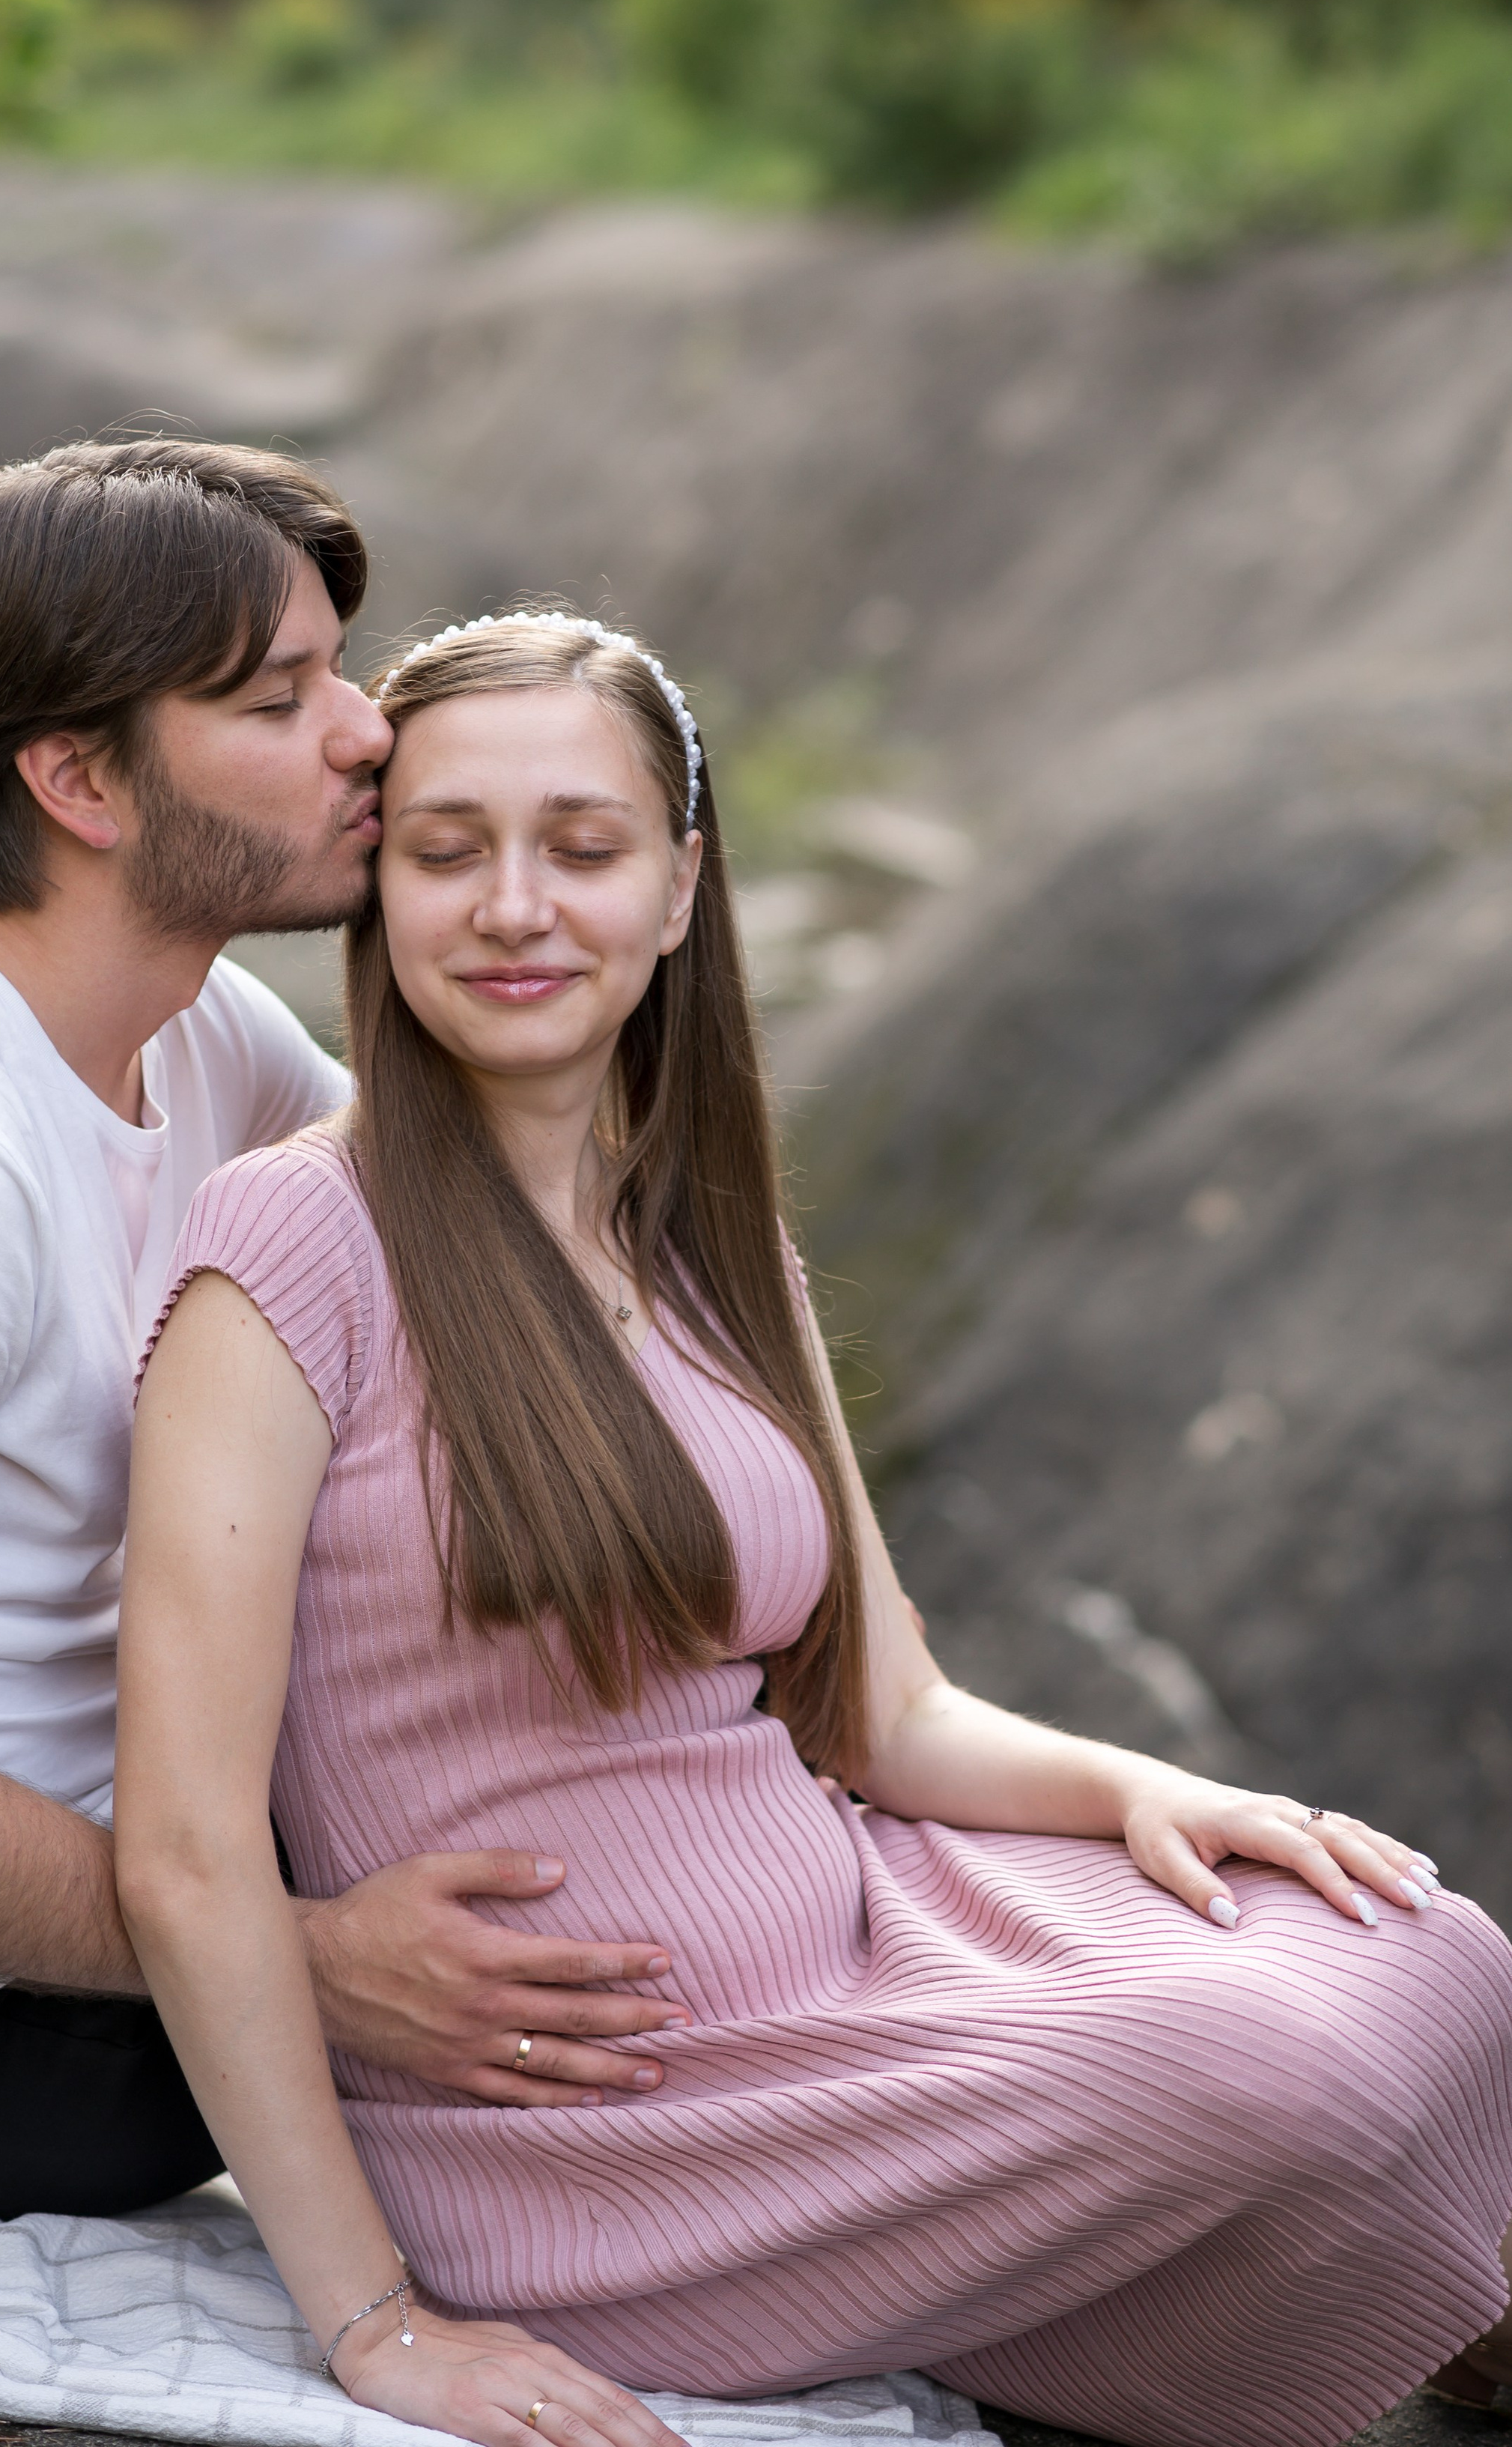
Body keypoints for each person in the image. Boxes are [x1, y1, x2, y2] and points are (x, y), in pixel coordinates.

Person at [119, 607, 1512, 2447]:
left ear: (680, 889)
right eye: (449, 852)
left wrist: (1143, 1795)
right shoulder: (292, 1243)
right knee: (1280, 2077)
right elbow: (186, 1843)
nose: (515, 906)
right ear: (381, 893)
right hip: (593, 2134)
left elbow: (884, 1711)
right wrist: (373, 2319)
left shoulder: (708, 1241)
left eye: (585, 849)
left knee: (1431, 1944)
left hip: (865, 1955)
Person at [0, 452, 695, 2222]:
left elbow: (511, 1253)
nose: (366, 734)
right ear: (75, 781)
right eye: (280, 699)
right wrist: (307, 1959)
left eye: (338, 670)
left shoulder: (198, 1037)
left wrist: (568, 915)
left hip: (155, 1854)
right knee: (626, 1967)